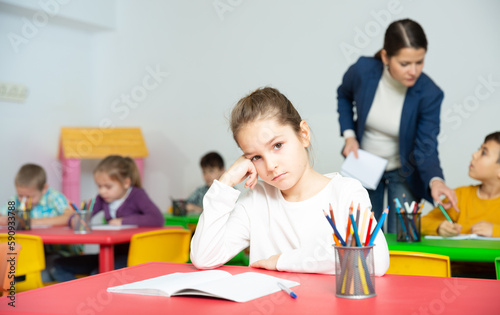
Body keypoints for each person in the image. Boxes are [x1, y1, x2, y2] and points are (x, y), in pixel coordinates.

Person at [190, 87, 389, 276]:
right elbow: (203, 257)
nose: (271, 165)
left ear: (303, 134)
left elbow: (376, 259)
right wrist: (226, 181)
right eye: (255, 157)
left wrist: (282, 261)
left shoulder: (345, 192)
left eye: (277, 145)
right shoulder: (256, 200)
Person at [336, 18, 458, 233]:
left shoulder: (430, 93)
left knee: (402, 235)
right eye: (405, 64)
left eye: (419, 62)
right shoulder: (363, 71)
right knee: (363, 234)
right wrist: (349, 136)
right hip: (364, 163)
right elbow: (343, 95)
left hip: (404, 170)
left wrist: (435, 180)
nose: (414, 71)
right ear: (385, 56)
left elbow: (426, 145)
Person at [52, 155, 164, 282]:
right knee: (57, 265)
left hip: (132, 256)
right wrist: (74, 219)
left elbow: (157, 218)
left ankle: (86, 294)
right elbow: (84, 213)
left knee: (97, 276)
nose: (102, 191)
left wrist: (123, 221)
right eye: (99, 186)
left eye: (108, 187)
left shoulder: (137, 195)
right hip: (109, 254)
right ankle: (77, 296)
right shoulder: (102, 199)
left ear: (126, 183)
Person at [0, 163, 79, 282]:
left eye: (29, 197)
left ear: (44, 189)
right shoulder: (15, 200)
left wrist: (33, 222)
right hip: (27, 254)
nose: (24, 200)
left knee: (46, 273)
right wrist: (6, 219)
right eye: (21, 196)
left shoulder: (53, 197)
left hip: (56, 252)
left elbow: (69, 216)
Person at [422, 131, 500, 237]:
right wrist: (439, 227)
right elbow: (422, 223)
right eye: (479, 149)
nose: (474, 154)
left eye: (484, 153)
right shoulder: (460, 196)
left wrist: (495, 231)